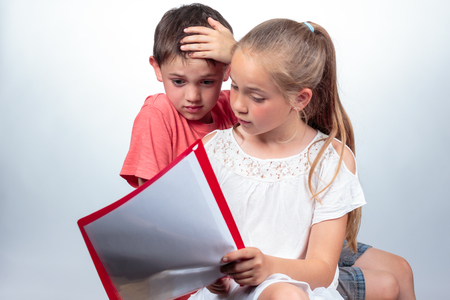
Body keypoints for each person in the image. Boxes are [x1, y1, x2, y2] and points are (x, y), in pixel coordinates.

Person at [181, 19, 416, 300]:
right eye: (234, 87)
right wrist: (214, 280)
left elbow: (322, 270)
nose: (238, 105)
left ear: (300, 99)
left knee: (288, 294)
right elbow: (199, 242)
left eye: (256, 97)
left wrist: (268, 267)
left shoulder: (329, 159)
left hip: (296, 285)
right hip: (232, 293)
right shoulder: (213, 149)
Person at [120, 3, 236, 188]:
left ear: (227, 70)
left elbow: (284, 88)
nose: (193, 96)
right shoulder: (158, 114)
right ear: (157, 68)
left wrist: (237, 52)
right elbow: (153, 200)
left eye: (206, 82)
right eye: (179, 82)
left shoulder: (233, 105)